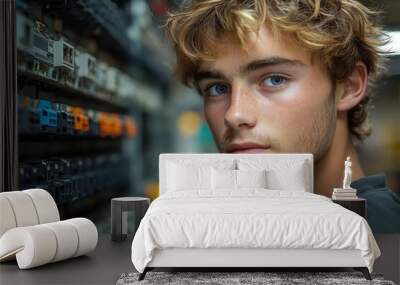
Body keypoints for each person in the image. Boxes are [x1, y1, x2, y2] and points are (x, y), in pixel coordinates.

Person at [166, 0, 400, 233]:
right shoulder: (261, 229)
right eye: (217, 88)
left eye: (274, 80)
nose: (234, 115)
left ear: (349, 86)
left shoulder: (380, 237)